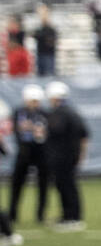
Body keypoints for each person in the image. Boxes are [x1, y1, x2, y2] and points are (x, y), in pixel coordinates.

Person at [44, 81, 89, 231]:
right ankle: (69, 215)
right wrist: (81, 154)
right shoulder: (72, 112)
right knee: (67, 186)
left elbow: (55, 131)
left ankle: (72, 217)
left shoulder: (60, 114)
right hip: (69, 156)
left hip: (62, 157)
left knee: (66, 186)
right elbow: (84, 134)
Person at [8, 84, 49, 224]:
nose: (35, 104)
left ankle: (41, 215)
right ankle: (12, 214)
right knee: (16, 184)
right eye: (33, 101)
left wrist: (31, 127)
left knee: (43, 184)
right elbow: (16, 129)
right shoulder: (18, 112)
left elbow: (44, 131)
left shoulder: (44, 113)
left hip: (41, 152)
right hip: (24, 151)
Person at [32, 5, 58, 77]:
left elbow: (51, 40)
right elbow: (36, 36)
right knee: (41, 74)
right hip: (40, 53)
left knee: (49, 73)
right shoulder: (39, 29)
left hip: (49, 54)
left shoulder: (51, 29)